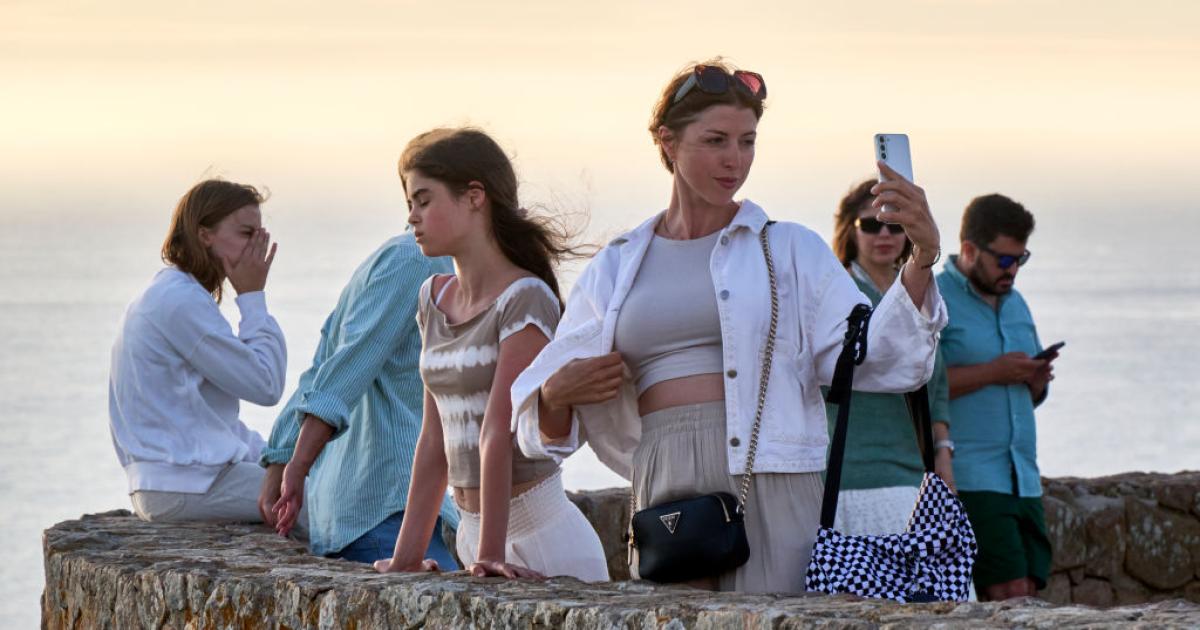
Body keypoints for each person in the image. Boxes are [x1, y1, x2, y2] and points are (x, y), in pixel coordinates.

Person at [509, 60, 947, 594]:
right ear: (667, 143)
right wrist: (554, 395)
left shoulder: (789, 248)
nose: (734, 160)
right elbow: (543, 431)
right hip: (662, 474)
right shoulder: (618, 265)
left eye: (748, 142)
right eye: (716, 140)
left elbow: (876, 363)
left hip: (773, 471)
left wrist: (920, 259)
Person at [371, 128, 609, 581]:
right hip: (473, 537)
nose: (412, 219)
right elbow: (433, 440)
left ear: (475, 196)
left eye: (424, 200)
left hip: (539, 540)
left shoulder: (524, 298)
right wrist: (406, 557)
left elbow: (497, 430)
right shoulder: (432, 298)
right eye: (409, 205)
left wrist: (492, 554)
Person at [258, 232, 458, 565]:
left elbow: (323, 367)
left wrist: (280, 456)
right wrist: (291, 465)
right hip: (384, 503)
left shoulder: (397, 258)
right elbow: (344, 369)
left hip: (371, 506)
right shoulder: (415, 262)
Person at [109, 179, 285, 523]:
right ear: (205, 235)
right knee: (325, 503)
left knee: (308, 477)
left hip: (178, 481)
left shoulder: (173, 292)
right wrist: (252, 297)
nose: (258, 249)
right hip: (185, 486)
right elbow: (266, 384)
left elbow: (213, 420)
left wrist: (280, 458)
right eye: (247, 234)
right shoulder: (179, 301)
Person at [937, 193, 1055, 600]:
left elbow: (1030, 395)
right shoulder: (935, 299)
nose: (1013, 271)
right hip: (972, 476)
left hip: (1023, 476)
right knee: (1007, 594)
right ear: (969, 249)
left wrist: (1036, 381)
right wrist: (994, 372)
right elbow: (920, 386)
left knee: (1031, 588)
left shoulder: (1016, 302)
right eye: (1004, 260)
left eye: (1020, 259)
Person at [826, 179, 955, 536]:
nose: (883, 233)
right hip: (850, 477)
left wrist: (943, 459)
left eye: (895, 225)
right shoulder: (835, 293)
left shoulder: (923, 294)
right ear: (850, 231)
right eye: (870, 224)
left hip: (914, 476)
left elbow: (937, 386)